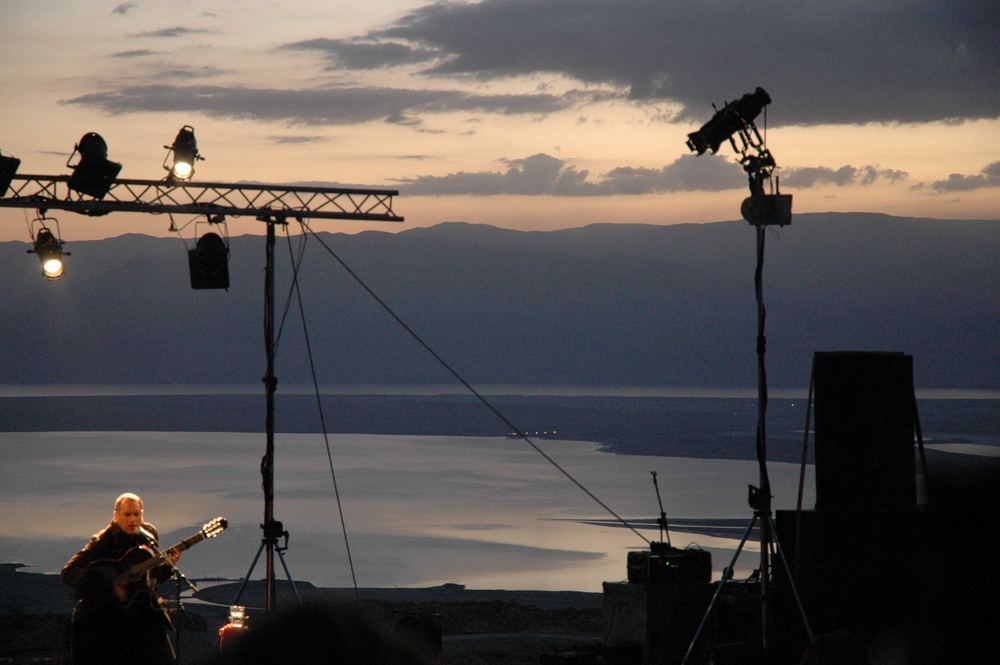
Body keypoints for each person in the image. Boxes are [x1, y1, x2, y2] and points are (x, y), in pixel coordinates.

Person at [61, 492, 181, 665]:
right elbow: (69, 572)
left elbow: (148, 580)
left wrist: (169, 566)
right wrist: (108, 584)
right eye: (127, 515)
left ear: (142, 514)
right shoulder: (103, 540)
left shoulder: (149, 535)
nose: (133, 519)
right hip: (108, 620)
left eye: (136, 514)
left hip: (144, 615)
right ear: (116, 516)